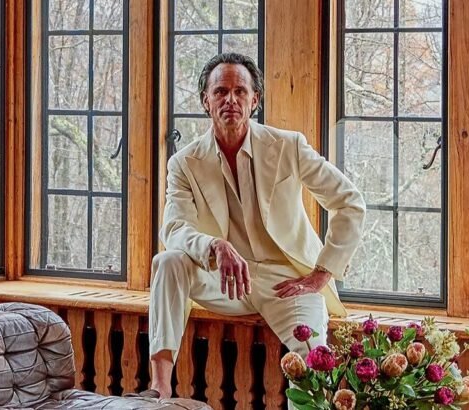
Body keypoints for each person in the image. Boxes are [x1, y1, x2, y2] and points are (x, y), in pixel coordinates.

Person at [145, 53, 365, 399]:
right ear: (205, 101)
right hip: (224, 281)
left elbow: (349, 202)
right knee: (168, 261)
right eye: (220, 91)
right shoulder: (184, 163)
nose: (230, 100)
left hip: (286, 282)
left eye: (240, 91)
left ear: (254, 100)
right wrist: (214, 246)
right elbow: (173, 228)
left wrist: (322, 273)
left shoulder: (288, 146)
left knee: (313, 366)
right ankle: (158, 389)